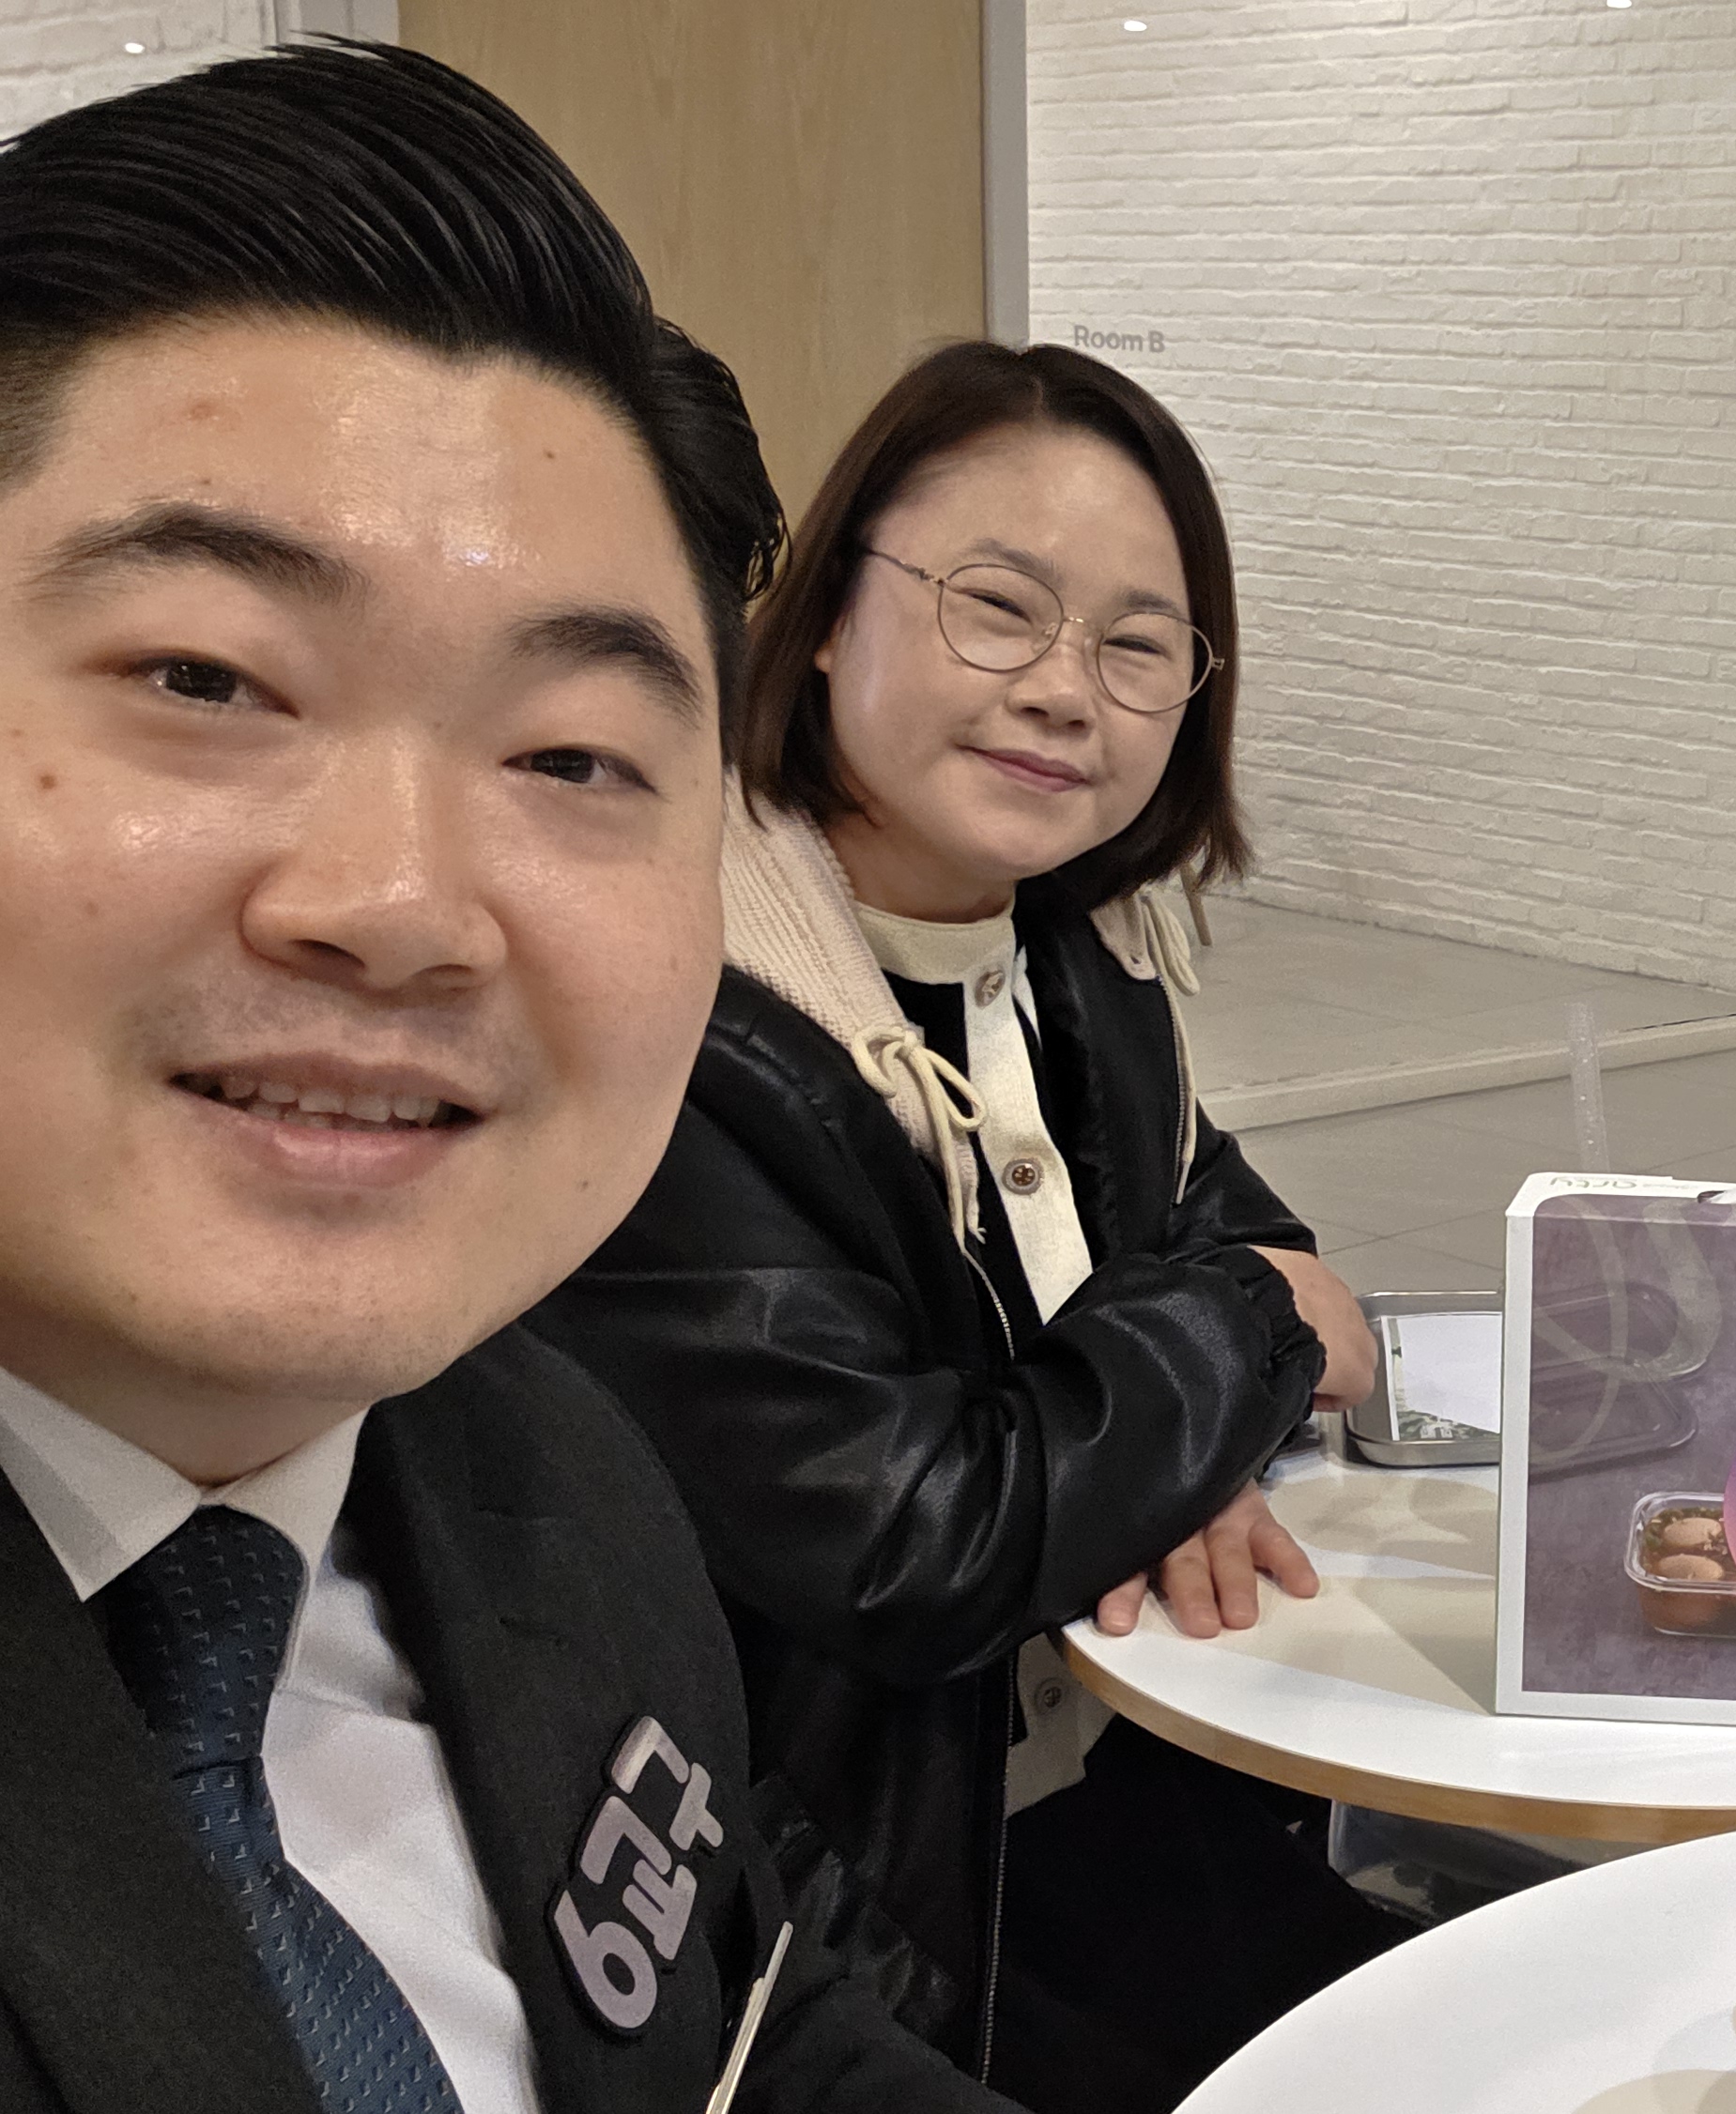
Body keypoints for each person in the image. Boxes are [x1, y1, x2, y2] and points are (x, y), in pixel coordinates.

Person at [0, 41, 1016, 2114]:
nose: (399, 905)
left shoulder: (548, 1473)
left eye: (572, 756)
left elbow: (755, 2027)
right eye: (204, 677)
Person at [530, 341, 1402, 2113]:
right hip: (849, 1918)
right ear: (828, 611)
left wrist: (1165, 1436)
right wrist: (1228, 1361)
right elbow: (918, 1535)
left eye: (1139, 647)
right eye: (997, 608)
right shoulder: (685, 1016)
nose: (1065, 691)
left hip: (1111, 1787)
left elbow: (1215, 1217)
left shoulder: (1075, 951)